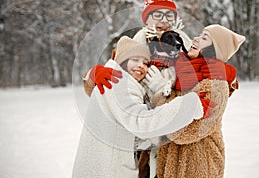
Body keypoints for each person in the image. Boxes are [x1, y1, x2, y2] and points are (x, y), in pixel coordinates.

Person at [72, 36, 207, 178]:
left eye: (145, 62)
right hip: (109, 170)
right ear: (123, 62)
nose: (141, 65)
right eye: (135, 59)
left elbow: (128, 128)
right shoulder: (117, 81)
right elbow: (141, 123)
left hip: (103, 165)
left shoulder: (121, 81)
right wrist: (189, 105)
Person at [152, 24, 246, 178]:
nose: (195, 38)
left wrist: (160, 98)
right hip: (172, 163)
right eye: (199, 34)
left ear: (214, 49)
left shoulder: (216, 83)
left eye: (204, 38)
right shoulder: (181, 72)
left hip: (199, 165)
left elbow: (187, 131)